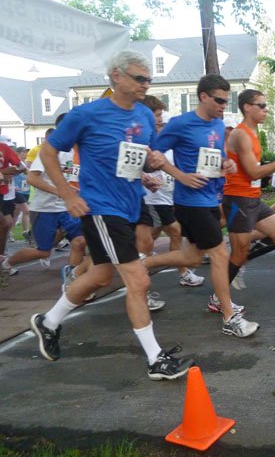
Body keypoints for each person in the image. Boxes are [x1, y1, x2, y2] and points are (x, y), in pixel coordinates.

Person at [29, 50, 194, 380]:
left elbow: (138, 157)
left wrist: (150, 168)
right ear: (116, 77)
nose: (146, 85)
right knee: (139, 279)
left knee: (101, 276)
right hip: (101, 208)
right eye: (139, 78)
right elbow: (48, 153)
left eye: (148, 79)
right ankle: (155, 359)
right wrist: (67, 193)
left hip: (130, 205)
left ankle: (47, 322)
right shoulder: (86, 115)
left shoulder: (145, 117)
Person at [141, 74, 259, 338]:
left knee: (192, 257)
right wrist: (179, 174)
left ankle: (142, 264)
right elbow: (152, 157)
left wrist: (226, 165)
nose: (222, 106)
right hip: (189, 201)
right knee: (219, 255)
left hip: (209, 198)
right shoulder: (180, 124)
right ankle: (229, 316)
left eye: (226, 101)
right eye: (218, 100)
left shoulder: (218, 126)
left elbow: (214, 158)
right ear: (203, 96)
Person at [211, 89, 275, 310]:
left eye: (266, 106)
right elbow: (254, 173)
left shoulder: (253, 132)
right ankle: (218, 299)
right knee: (238, 253)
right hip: (238, 199)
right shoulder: (241, 134)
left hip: (252, 198)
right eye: (262, 105)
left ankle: (240, 261)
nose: (266, 110)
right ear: (247, 107)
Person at [135, 95, 204, 295]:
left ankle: (142, 267)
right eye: (156, 115)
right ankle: (168, 272)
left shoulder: (162, 136)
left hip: (165, 195)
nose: (160, 118)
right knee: (172, 231)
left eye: (160, 115)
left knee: (151, 237)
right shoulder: (143, 138)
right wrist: (146, 178)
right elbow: (138, 164)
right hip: (150, 197)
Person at [1, 147, 86, 277]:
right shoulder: (48, 152)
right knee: (43, 251)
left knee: (79, 241)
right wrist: (59, 191)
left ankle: (72, 279)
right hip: (45, 209)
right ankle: (7, 263)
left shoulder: (77, 154)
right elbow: (32, 178)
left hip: (66, 207)